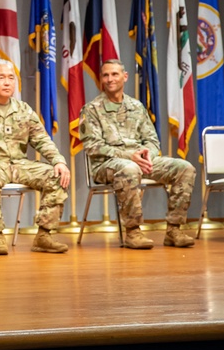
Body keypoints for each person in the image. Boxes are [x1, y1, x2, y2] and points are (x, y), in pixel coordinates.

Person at [79, 59, 195, 249]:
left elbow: (152, 139)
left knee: (184, 168)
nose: (110, 79)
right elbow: (93, 146)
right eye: (105, 75)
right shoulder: (92, 110)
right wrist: (129, 156)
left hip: (140, 161)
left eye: (114, 74)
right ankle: (133, 232)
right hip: (106, 165)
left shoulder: (136, 106)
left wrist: (147, 154)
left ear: (125, 77)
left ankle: (174, 230)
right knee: (129, 168)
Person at [0, 59, 71, 255]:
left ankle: (44, 236)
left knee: (58, 176)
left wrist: (59, 161)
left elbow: (42, 140)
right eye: (1, 77)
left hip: (19, 165)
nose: (7, 82)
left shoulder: (24, 109)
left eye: (11, 78)